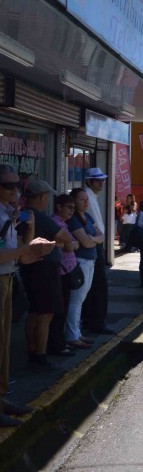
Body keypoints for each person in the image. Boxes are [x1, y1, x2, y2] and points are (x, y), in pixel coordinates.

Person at [1, 167, 56, 425]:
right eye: (8, 186)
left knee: (4, 344)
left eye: (16, 187)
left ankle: (2, 397)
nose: (15, 191)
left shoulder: (9, 214)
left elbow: (20, 252)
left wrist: (30, 235)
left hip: (9, 278)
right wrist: (27, 247)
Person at [18, 179, 75, 371]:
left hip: (31, 268)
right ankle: (40, 356)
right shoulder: (40, 216)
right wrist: (58, 243)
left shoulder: (25, 214)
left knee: (34, 312)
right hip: (44, 271)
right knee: (45, 314)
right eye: (47, 196)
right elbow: (65, 239)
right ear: (42, 197)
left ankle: (33, 352)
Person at [65, 188, 103, 350]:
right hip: (80, 262)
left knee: (81, 300)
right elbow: (85, 242)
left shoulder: (86, 217)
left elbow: (100, 236)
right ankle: (72, 335)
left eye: (87, 199)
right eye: (82, 200)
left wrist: (92, 239)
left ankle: (76, 333)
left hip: (90, 261)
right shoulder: (73, 220)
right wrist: (93, 240)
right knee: (76, 300)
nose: (86, 202)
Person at [50, 193, 82, 356]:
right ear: (59, 207)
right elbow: (70, 246)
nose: (72, 211)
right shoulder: (56, 223)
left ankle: (60, 342)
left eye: (73, 208)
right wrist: (71, 243)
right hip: (61, 272)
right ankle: (57, 345)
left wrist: (71, 243)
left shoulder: (64, 223)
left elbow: (72, 243)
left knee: (63, 309)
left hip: (67, 271)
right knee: (59, 311)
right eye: (69, 207)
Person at [81, 167, 110, 336]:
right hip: (93, 244)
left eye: (102, 180)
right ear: (89, 181)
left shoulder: (91, 196)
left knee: (93, 285)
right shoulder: (87, 196)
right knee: (98, 285)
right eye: (98, 180)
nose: (101, 183)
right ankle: (96, 322)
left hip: (96, 242)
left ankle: (91, 320)